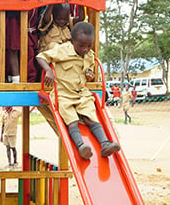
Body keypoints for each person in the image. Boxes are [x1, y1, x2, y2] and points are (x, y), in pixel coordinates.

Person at [37, 22, 120, 160]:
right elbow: (41, 57)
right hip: (63, 94)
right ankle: (81, 146)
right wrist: (48, 70)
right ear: (72, 40)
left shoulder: (89, 55)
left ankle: (105, 144)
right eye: (81, 46)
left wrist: (90, 75)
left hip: (81, 93)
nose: (85, 49)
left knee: (90, 117)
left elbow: (88, 69)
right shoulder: (62, 50)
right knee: (72, 120)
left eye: (89, 46)